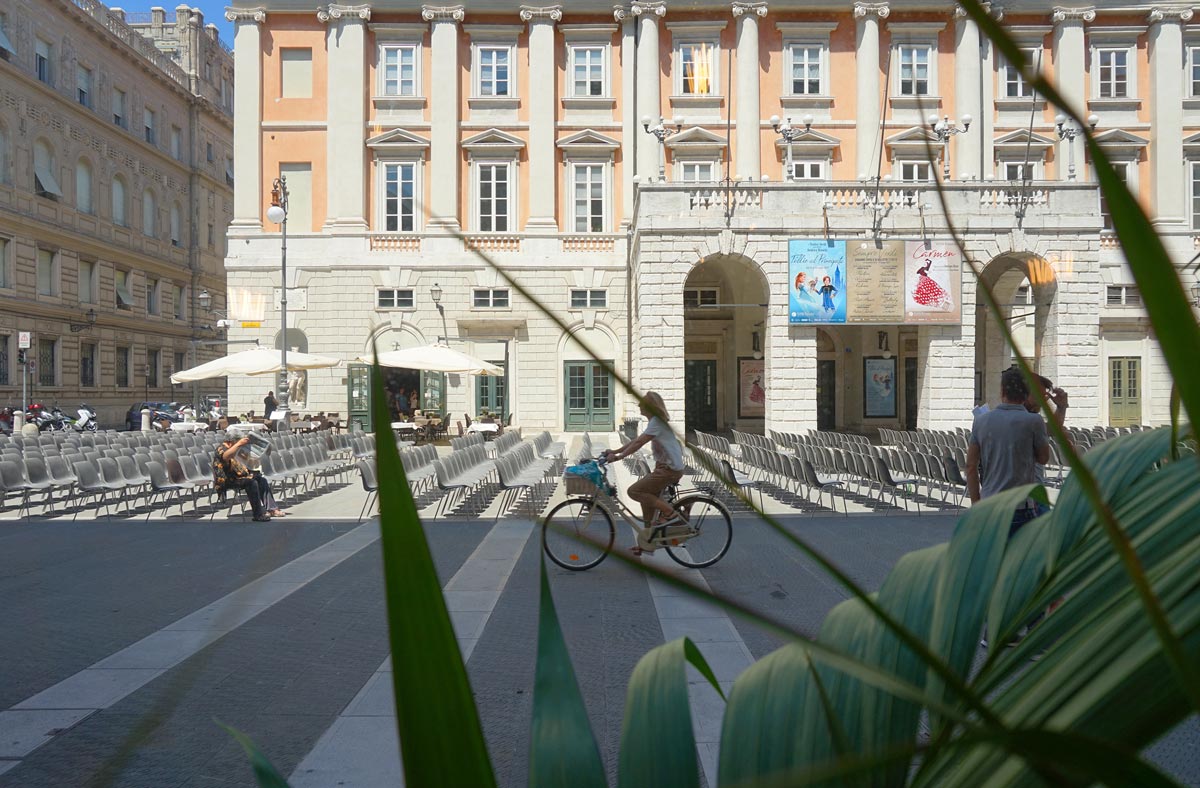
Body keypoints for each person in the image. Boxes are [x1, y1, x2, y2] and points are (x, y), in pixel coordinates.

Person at [966, 367, 1050, 537]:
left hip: (990, 504)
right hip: (1021, 506)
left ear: (1002, 390)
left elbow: (970, 466)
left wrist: (976, 503)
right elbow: (1043, 458)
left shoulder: (981, 421)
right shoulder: (1034, 421)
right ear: (1026, 393)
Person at [601, 392, 687, 555]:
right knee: (646, 501)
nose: (639, 406)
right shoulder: (655, 422)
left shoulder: (656, 422)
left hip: (669, 470)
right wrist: (615, 451)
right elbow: (636, 440)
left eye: (641, 404)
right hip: (665, 468)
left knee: (635, 491)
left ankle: (670, 512)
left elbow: (640, 442)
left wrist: (619, 457)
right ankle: (647, 542)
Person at [213, 435, 274, 522]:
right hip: (227, 480)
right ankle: (258, 514)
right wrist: (239, 444)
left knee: (261, 479)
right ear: (232, 441)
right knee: (251, 483)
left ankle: (271, 508)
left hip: (236, 477)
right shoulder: (221, 448)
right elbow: (225, 456)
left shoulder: (233, 448)